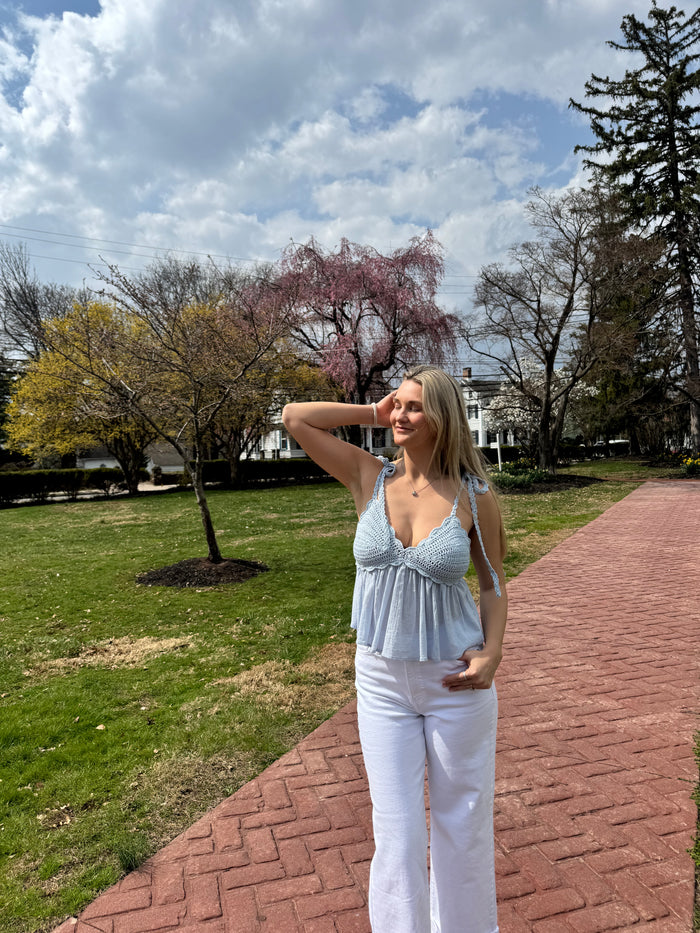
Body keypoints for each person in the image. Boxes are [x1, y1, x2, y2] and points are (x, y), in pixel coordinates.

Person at [282, 365, 507, 933]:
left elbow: (492, 584)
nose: (401, 415)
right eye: (398, 405)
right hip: (380, 682)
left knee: (464, 823)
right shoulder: (367, 476)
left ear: (443, 418)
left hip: (454, 680)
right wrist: (370, 413)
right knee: (398, 828)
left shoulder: (475, 497)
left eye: (414, 407)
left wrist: (494, 650)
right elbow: (295, 419)